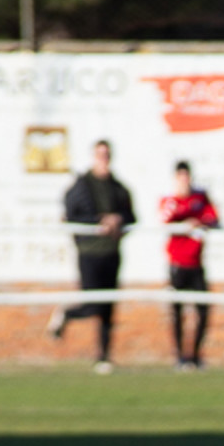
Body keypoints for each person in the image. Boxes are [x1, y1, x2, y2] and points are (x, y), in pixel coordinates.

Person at [51, 139, 134, 373]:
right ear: (93, 156)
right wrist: (98, 221)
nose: (103, 159)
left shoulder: (117, 187)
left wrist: (118, 220)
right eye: (100, 154)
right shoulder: (81, 186)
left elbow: (131, 216)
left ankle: (103, 356)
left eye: (107, 154)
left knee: (108, 305)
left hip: (111, 252)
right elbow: (70, 216)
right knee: (93, 302)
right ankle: (68, 313)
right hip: (89, 252)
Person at [161, 160, 218, 370]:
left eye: (187, 177)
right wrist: (183, 220)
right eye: (181, 177)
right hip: (177, 263)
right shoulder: (171, 200)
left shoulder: (200, 198)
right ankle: (179, 357)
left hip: (197, 263)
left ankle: (195, 354)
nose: (185, 181)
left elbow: (212, 217)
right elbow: (164, 219)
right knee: (177, 311)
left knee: (202, 309)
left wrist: (198, 221)